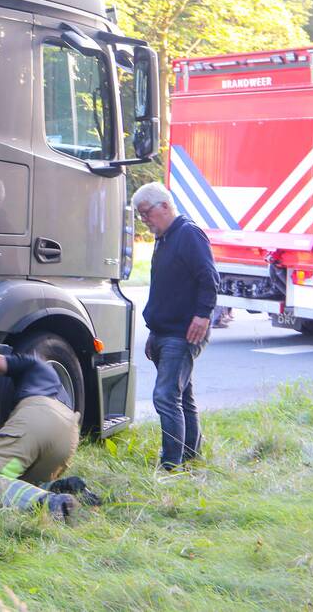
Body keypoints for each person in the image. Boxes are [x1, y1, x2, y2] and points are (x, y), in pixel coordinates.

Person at [133, 183, 219, 471]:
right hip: (163, 331)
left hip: (183, 331)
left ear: (165, 206)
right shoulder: (164, 238)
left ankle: (170, 465)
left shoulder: (188, 234)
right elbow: (164, 290)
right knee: (183, 396)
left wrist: (203, 315)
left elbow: (209, 278)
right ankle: (191, 456)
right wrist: (153, 331)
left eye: (146, 213)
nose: (144, 220)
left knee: (165, 396)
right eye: (140, 215)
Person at [0, 350, 101, 521]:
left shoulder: (32, 363)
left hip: (39, 417)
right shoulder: (55, 382)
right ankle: (67, 489)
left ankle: (50, 503)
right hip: (68, 436)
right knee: (10, 479)